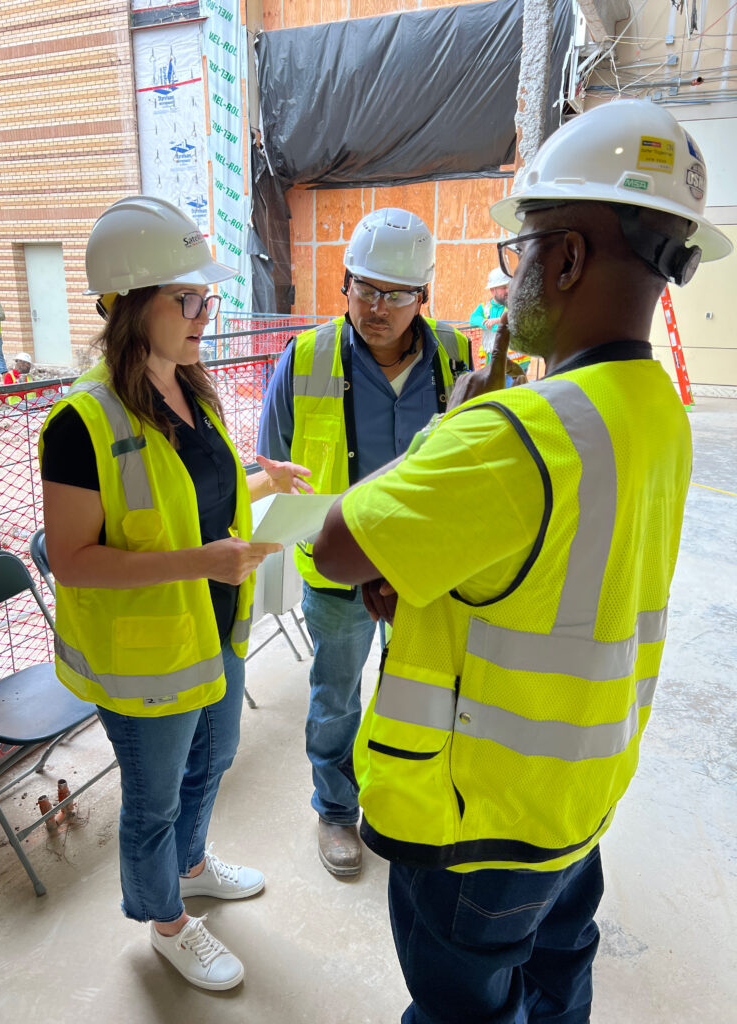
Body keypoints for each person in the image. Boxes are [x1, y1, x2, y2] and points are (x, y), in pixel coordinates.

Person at [312, 99, 731, 1022]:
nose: (518, 271)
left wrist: (452, 427)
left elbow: (337, 547)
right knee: (557, 971)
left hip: (476, 826)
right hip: (576, 797)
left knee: (464, 1002)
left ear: (571, 256)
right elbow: (554, 577)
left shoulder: (512, 433)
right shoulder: (656, 412)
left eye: (525, 248)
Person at [39, 195, 311, 992]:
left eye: (205, 298)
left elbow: (189, 504)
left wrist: (264, 480)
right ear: (129, 305)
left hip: (211, 632)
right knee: (152, 801)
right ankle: (164, 921)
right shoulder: (80, 422)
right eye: (186, 299)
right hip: (145, 658)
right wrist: (202, 563)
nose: (203, 313)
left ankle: (190, 867)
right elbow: (73, 560)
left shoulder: (192, 390)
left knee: (216, 756)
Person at [256, 207, 473, 878]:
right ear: (345, 283)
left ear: (423, 297)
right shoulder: (307, 357)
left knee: (420, 691)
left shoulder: (461, 358)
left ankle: (404, 804)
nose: (376, 306)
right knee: (337, 695)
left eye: (395, 293)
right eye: (363, 288)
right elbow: (272, 463)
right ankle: (335, 810)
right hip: (336, 573)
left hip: (423, 568)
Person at [469, 265, 510, 360]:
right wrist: (486, 323)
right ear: (493, 290)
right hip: (490, 361)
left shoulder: (514, 305)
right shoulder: (484, 307)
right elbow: (473, 319)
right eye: (503, 288)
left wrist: (499, 321)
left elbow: (517, 318)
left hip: (511, 364)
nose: (507, 290)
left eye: (509, 287)